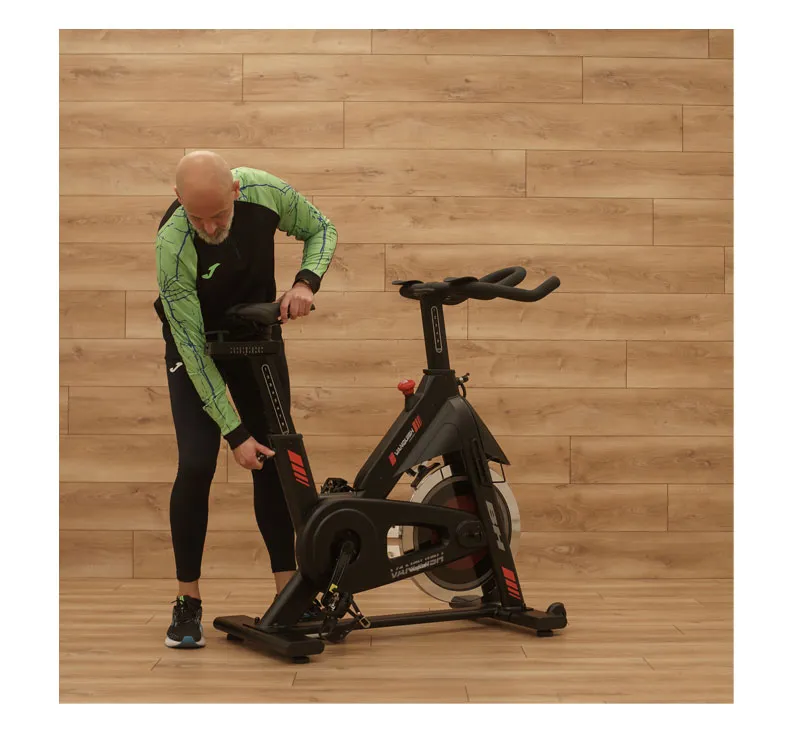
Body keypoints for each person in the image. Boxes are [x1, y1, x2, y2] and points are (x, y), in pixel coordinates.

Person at [153, 151, 338, 648]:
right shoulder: (171, 242)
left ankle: (289, 595)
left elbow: (322, 229)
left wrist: (306, 281)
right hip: (196, 346)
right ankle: (187, 601)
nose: (211, 227)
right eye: (198, 218)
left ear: (236, 190)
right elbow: (192, 349)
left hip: (257, 338)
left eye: (219, 214)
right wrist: (234, 434)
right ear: (179, 201)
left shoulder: (265, 192)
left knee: (273, 461)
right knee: (197, 463)